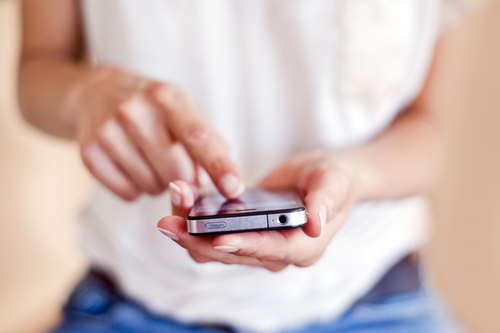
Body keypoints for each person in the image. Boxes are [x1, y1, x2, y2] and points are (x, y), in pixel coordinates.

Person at [18, 0, 476, 332]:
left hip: (375, 294)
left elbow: (429, 127)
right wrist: (85, 97)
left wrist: (353, 176)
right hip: (134, 294)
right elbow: (38, 66)